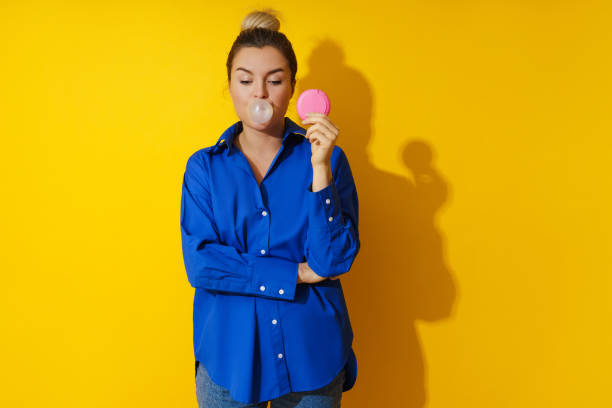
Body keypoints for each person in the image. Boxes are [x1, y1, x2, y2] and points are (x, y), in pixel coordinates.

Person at [180, 9, 360, 408]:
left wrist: (319, 170)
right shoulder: (204, 168)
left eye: (274, 81)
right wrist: (293, 273)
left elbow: (331, 261)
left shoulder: (329, 161)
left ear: (292, 88)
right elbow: (203, 264)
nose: (259, 93)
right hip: (228, 356)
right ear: (229, 86)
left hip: (312, 355)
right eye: (246, 80)